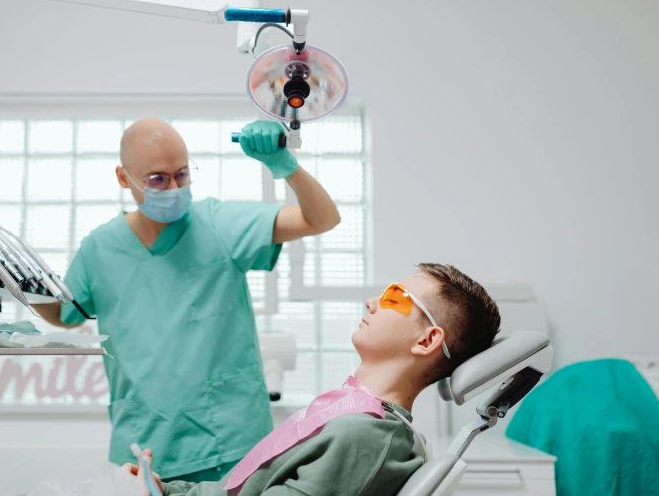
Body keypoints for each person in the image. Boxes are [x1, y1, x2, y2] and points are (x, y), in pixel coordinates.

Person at [32, 118, 341, 483]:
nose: (174, 188)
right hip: (143, 445)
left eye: (181, 174)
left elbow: (322, 218)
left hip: (230, 442)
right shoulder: (99, 248)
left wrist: (284, 166)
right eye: (157, 179)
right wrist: (16, 283)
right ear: (123, 177)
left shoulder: (218, 223)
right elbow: (63, 314)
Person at [123, 263, 502, 496]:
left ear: (427, 340)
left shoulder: (368, 439)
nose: (372, 301)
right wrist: (165, 489)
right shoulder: (348, 417)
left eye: (394, 297)